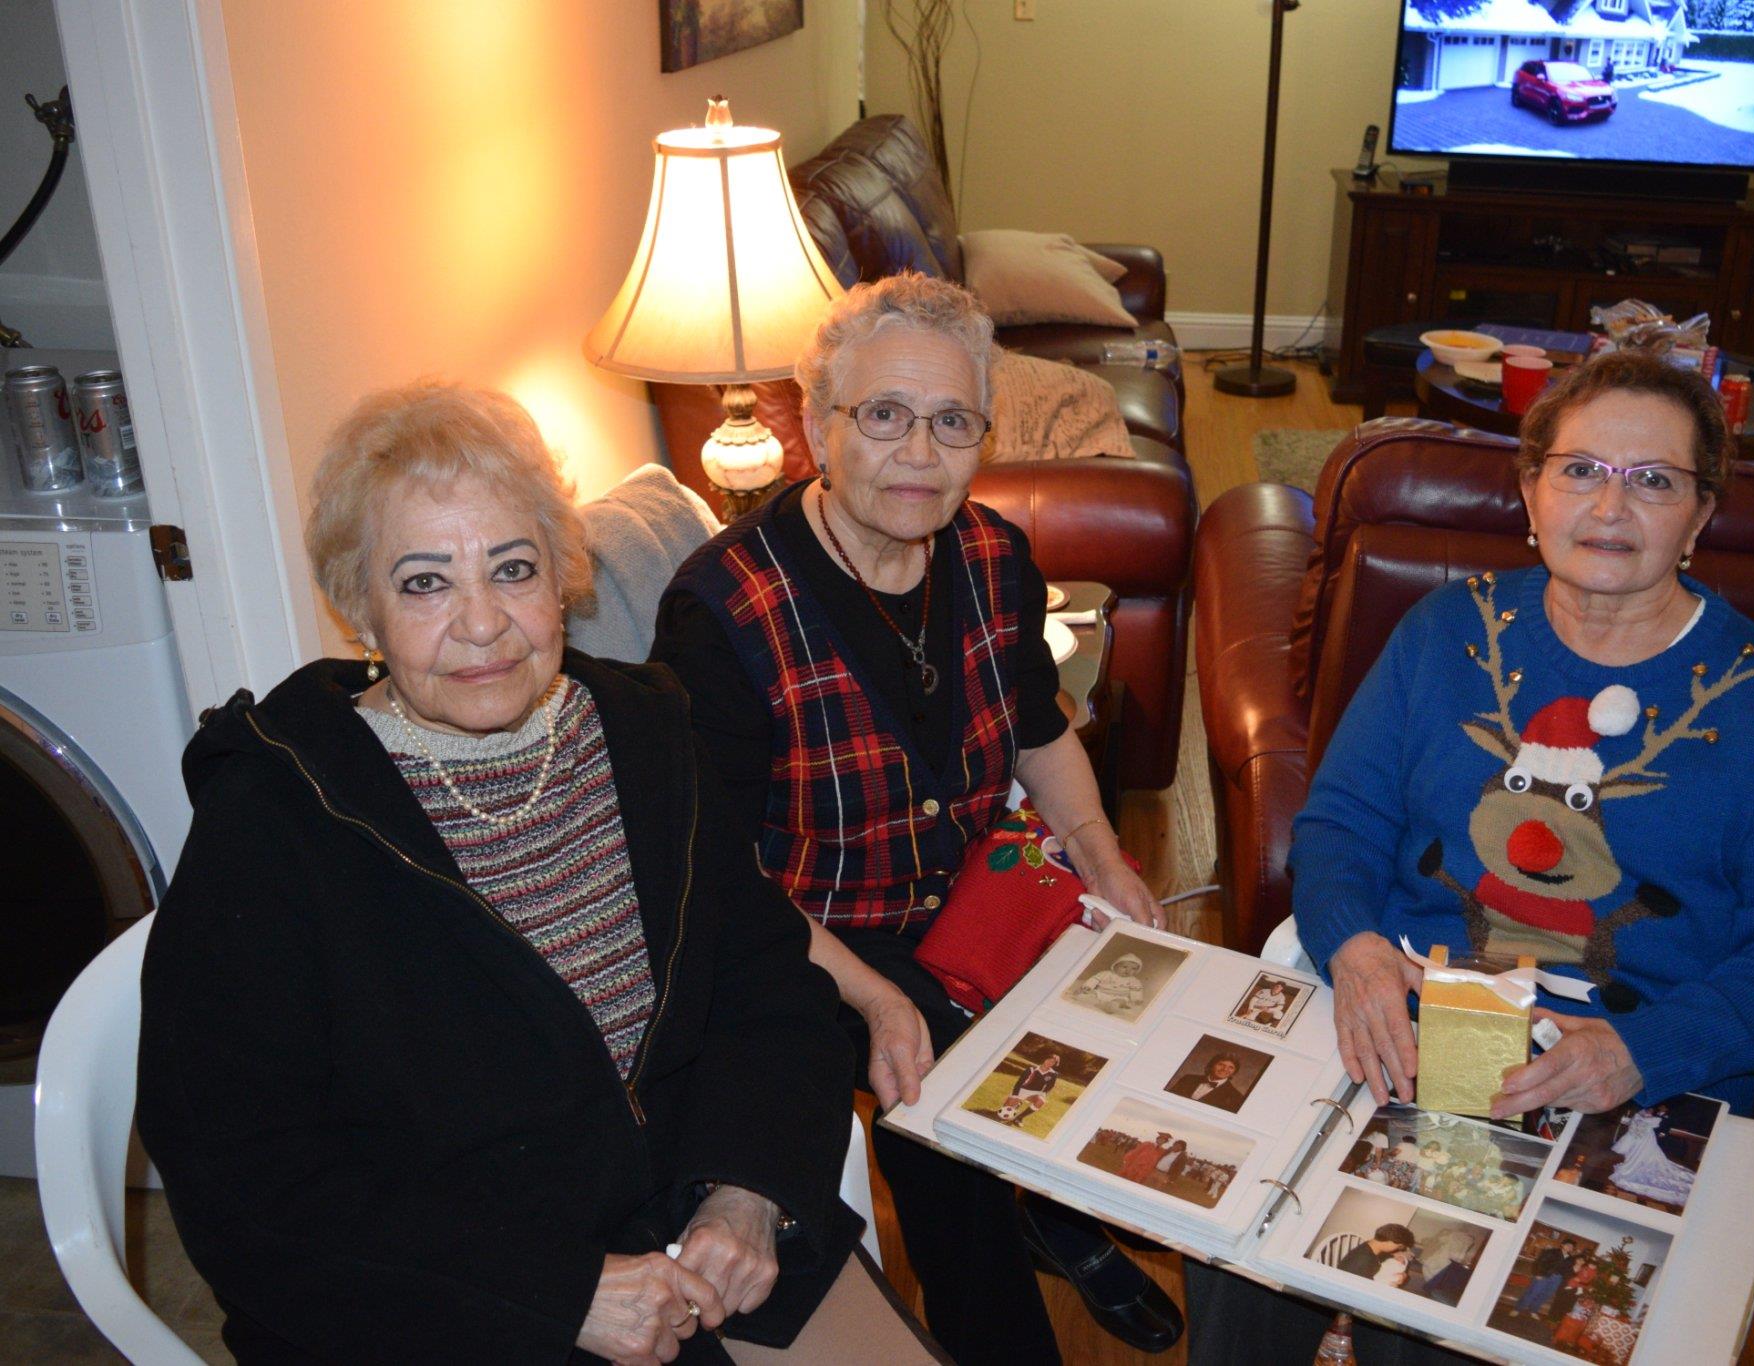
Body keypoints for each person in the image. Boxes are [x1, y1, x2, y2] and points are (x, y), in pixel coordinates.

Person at [134, 383, 936, 1364]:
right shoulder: (274, 821)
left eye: (512, 569)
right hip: (435, 1315)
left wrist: (747, 1192)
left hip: (689, 1261)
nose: (481, 623)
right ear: (358, 605)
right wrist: (557, 1295)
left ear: (562, 577)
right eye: (425, 581)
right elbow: (247, 1185)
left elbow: (766, 985)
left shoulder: (648, 736)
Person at [1185, 350, 1754, 1363]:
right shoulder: (1442, 633)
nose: (1610, 504)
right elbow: (1336, 824)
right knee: (1233, 1231)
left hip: (1630, 1063)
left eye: (1653, 479)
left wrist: (1642, 1051)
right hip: (1408, 1016)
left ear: (1699, 513)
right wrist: (1358, 951)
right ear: (1530, 490)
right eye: (1580, 469)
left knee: (1430, 1304)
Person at [652, 272, 1180, 1360]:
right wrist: (874, 991)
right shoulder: (722, 610)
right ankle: (1005, 1322)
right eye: (882, 416)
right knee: (946, 1110)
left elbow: (1036, 727)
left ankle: (1064, 1217)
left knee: (1140, 1022)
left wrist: (1096, 855)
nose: (918, 454)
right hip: (808, 938)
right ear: (813, 423)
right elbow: (715, 876)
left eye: (951, 423)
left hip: (975, 894)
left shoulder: (992, 554)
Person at [1607, 1104, 1696, 1204]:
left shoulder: (1660, 1118)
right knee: (1637, 1152)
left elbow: (1663, 1126)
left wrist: (1661, 1131)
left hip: (1650, 1140)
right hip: (1642, 1139)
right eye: (1649, 1109)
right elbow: (1637, 1122)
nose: (1651, 1110)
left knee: (1650, 1157)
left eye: (1651, 1110)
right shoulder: (1643, 1116)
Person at [1167, 1050, 1251, 1112]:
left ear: (1234, 1072)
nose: (1225, 1069)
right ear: (1211, 1065)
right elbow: (1168, 1100)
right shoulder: (1188, 1079)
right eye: (1221, 1064)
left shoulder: (1236, 1097)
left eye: (1231, 1067)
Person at [1070, 951, 1151, 1015]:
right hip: (1101, 992)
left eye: (1133, 969)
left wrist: (1136, 999)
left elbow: (1136, 990)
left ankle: (1111, 1006)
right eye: (1124, 967)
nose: (1128, 970)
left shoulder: (1134, 981)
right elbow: (1094, 979)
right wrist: (1088, 987)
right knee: (1087, 994)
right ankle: (1096, 1002)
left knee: (1121, 1001)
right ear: (1115, 966)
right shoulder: (1106, 974)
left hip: (1119, 996)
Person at [1336, 1224, 1418, 1282]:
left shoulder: (1373, 1248)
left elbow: (1388, 1257)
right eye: (1399, 1246)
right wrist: (1394, 1282)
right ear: (1390, 1242)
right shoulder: (1362, 1261)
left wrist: (1402, 1274)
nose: (1398, 1250)